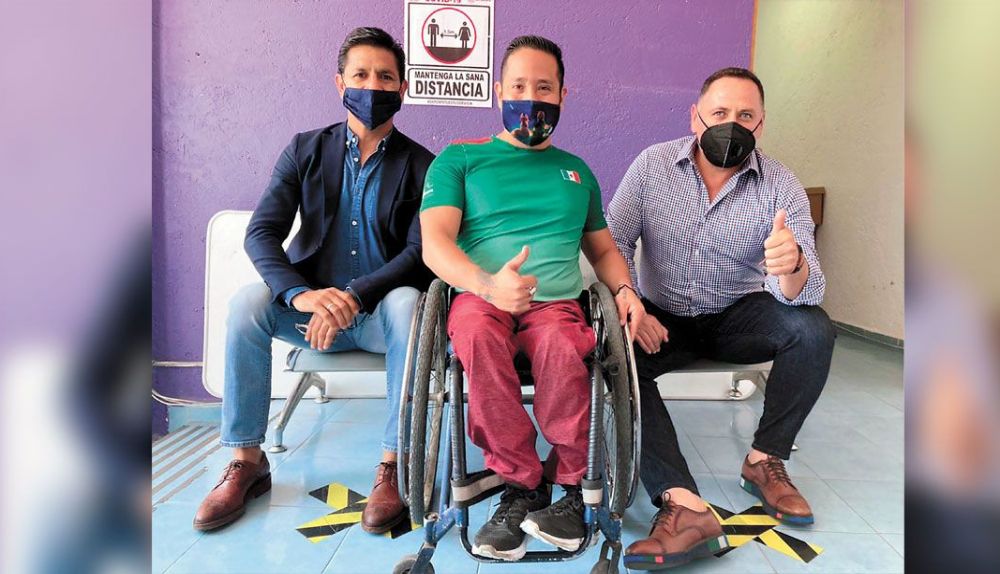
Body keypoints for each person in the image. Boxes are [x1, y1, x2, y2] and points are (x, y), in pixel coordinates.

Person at [193, 27, 435, 535]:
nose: (372, 86)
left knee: (408, 302)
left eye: (385, 77)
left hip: (381, 319)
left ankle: (393, 463)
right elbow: (262, 232)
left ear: (403, 87)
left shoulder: (422, 165)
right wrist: (302, 295)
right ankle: (247, 460)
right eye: (361, 75)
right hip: (310, 316)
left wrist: (353, 296)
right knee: (247, 304)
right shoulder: (304, 150)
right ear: (340, 82)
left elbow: (420, 254)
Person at [419, 35, 644, 561]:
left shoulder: (577, 172)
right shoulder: (460, 159)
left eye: (544, 88)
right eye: (519, 86)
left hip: (556, 304)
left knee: (564, 345)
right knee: (475, 334)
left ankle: (571, 486)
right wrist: (488, 284)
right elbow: (435, 244)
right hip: (482, 297)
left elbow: (603, 250)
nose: (531, 98)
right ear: (499, 91)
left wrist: (626, 290)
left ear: (563, 94)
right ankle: (520, 485)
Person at [607, 67, 835, 569]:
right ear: (696, 117)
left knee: (813, 329)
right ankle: (680, 500)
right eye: (720, 112)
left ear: (761, 124)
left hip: (739, 315)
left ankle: (764, 461)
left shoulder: (782, 185)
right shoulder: (651, 166)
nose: (732, 124)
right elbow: (614, 241)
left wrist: (792, 264)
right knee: (616, 359)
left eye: (746, 116)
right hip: (662, 317)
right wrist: (631, 301)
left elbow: (809, 288)